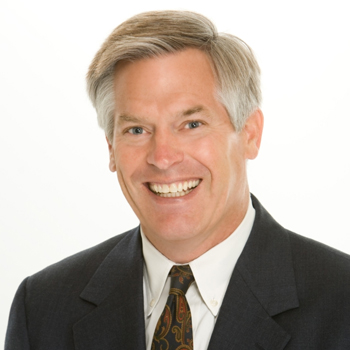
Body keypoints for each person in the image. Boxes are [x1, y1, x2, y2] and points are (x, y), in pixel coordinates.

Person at [5, 10, 350, 350]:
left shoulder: (341, 302)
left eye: (192, 124)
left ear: (250, 134)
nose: (163, 156)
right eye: (136, 130)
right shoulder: (42, 309)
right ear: (111, 148)